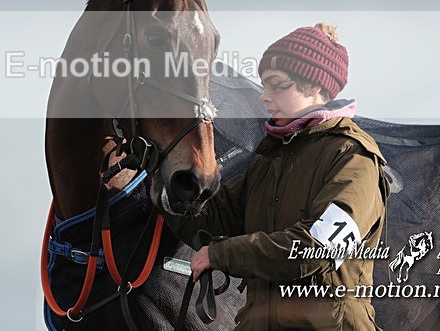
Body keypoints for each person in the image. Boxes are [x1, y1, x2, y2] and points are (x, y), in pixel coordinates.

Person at [166, 22, 389, 330]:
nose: (264, 97)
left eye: (275, 84)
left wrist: (222, 254)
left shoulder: (354, 159)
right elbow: (211, 218)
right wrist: (160, 189)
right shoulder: (270, 159)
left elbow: (314, 249)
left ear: (312, 86)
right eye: (264, 85)